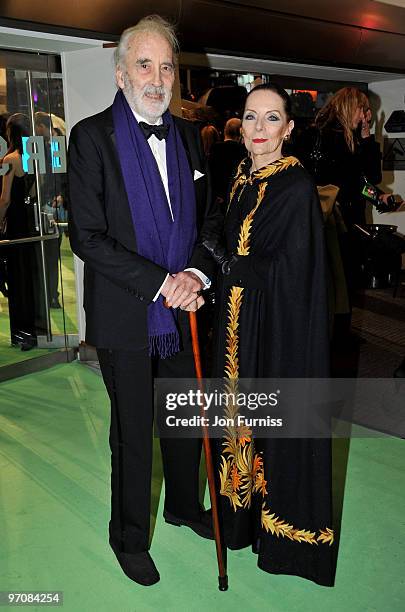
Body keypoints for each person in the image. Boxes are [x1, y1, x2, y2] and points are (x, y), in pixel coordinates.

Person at [68, 15, 220, 587]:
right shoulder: (89, 138)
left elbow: (210, 222)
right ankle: (128, 536)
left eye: (165, 67)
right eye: (144, 65)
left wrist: (198, 275)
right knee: (133, 430)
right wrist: (163, 282)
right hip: (128, 314)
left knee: (183, 419)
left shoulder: (187, 136)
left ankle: (183, 506)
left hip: (183, 310)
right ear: (120, 73)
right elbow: (87, 237)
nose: (156, 78)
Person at [203, 83, 335, 586]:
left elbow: (293, 270)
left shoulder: (295, 185)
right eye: (251, 118)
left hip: (273, 331)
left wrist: (228, 264)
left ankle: (283, 542)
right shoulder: (241, 176)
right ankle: (240, 521)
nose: (259, 130)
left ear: (290, 128)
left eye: (271, 119)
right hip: (237, 329)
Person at [0, 113, 38, 350]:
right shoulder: (32, 158)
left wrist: (0, 220)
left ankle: (20, 333)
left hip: (13, 222)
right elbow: (34, 193)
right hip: (29, 221)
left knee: (15, 277)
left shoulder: (8, 159)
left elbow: (4, 198)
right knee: (29, 276)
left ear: (10, 133)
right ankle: (31, 331)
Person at [208, 117, 246, 211]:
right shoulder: (243, 151)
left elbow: (210, 172)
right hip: (235, 198)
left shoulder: (215, 148)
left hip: (217, 198)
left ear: (225, 130)